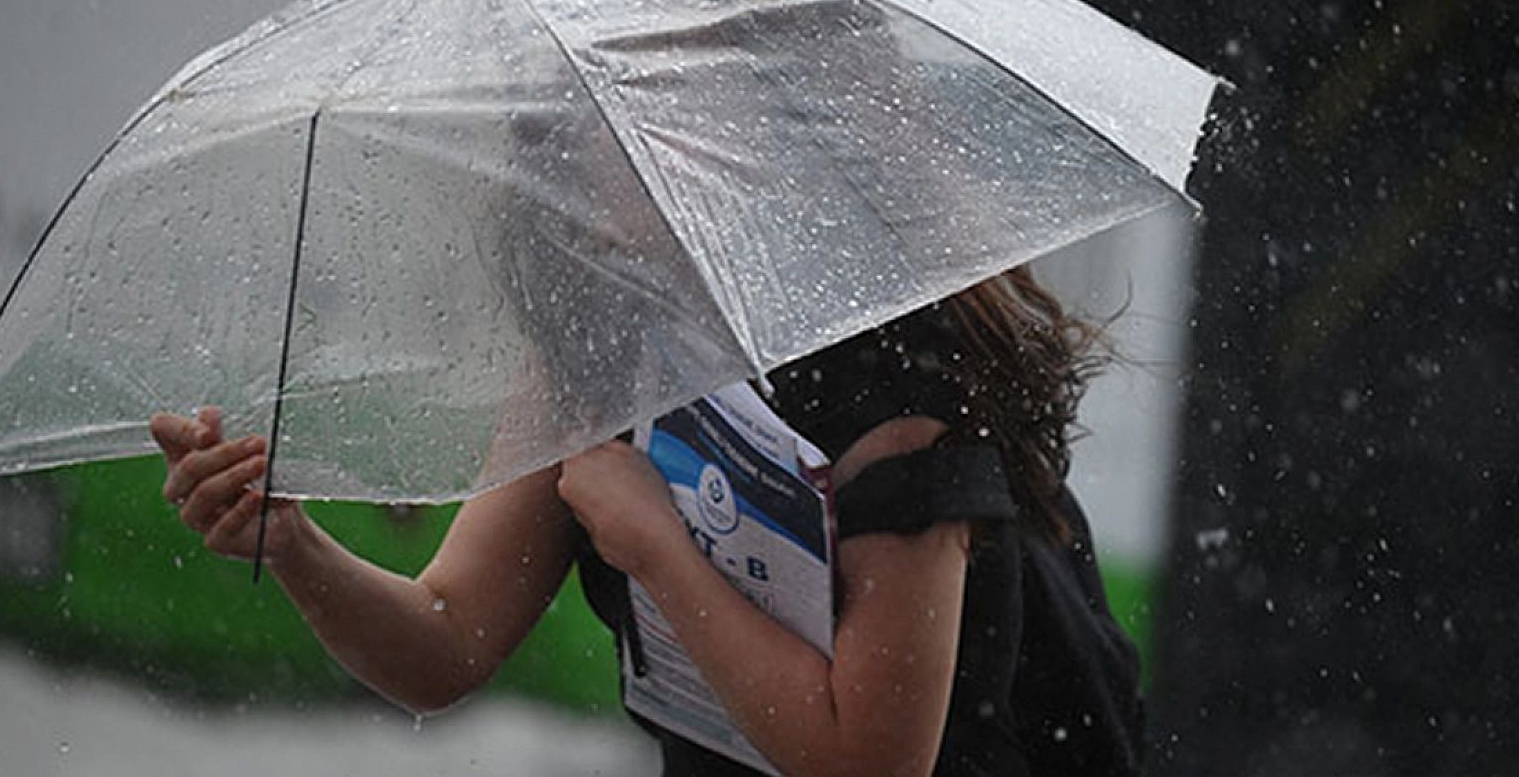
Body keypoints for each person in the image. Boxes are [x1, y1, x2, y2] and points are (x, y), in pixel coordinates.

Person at [151, 266, 1144, 777]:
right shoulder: (600, 342)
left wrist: (656, 549)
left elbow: (865, 764)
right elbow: (443, 638)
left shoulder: (895, 383)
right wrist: (290, 542)